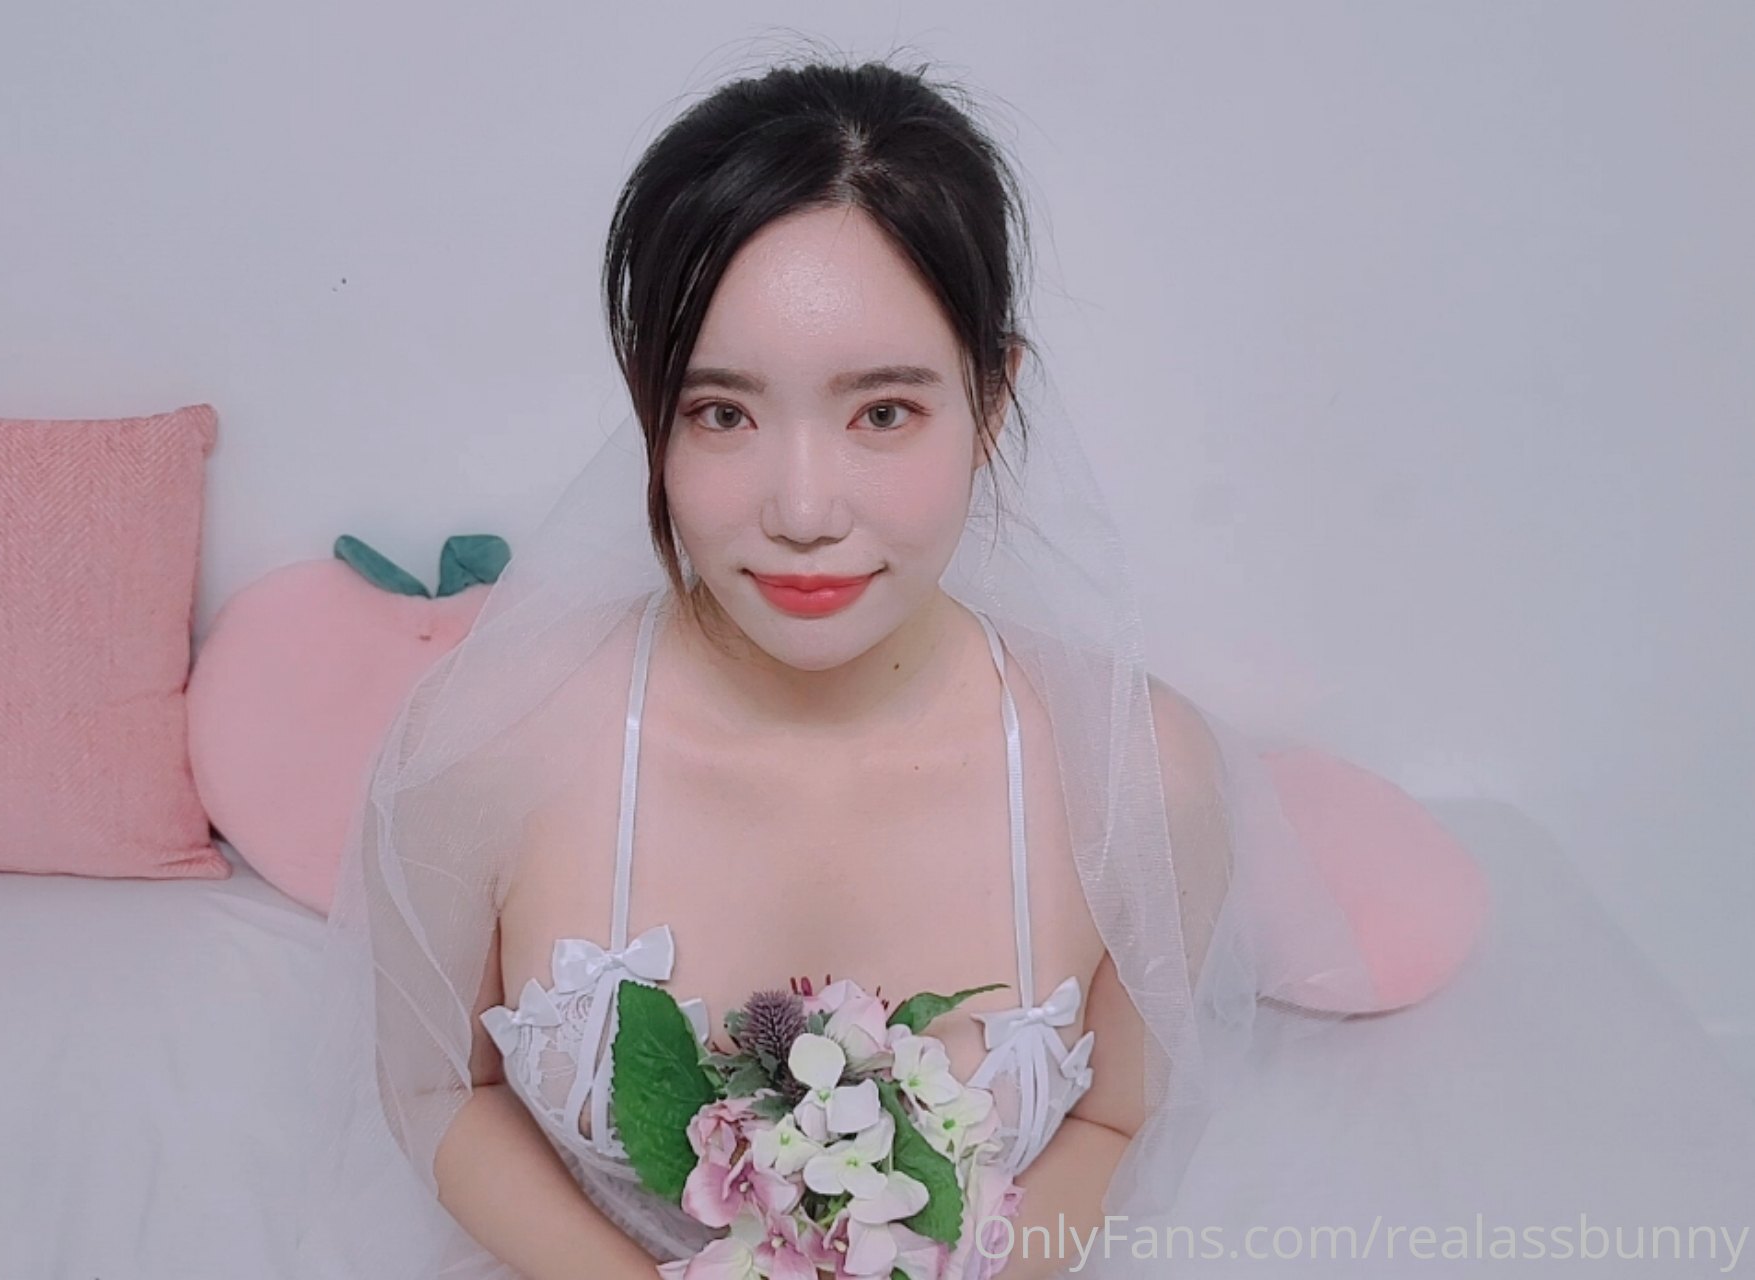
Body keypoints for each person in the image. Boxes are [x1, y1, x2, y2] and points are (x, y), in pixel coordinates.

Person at [294, 55, 1755, 1280]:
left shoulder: (1137, 776)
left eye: (883, 412)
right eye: (722, 412)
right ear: (649, 407)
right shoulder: (485, 747)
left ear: (990, 401)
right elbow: (433, 1087)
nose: (802, 507)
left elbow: (1116, 1125)